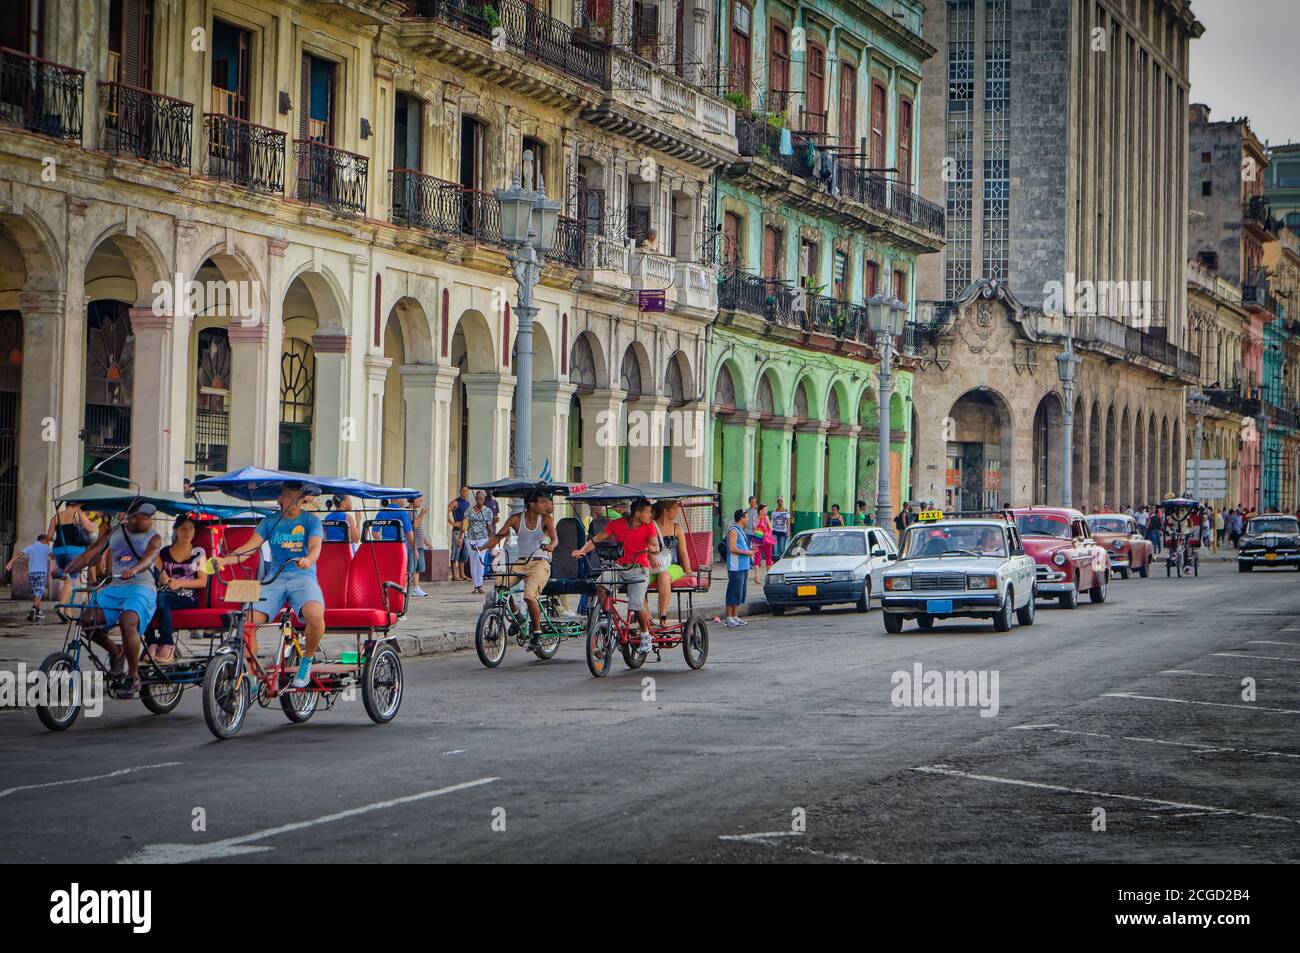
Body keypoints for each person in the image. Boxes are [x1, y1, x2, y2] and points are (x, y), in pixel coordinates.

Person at [215, 483, 325, 689]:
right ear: (279, 499)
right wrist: (223, 561)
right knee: (247, 621)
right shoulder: (270, 522)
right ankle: (251, 673)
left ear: (302, 499)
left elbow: (315, 546)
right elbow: (248, 548)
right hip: (275, 576)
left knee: (316, 616)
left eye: (296, 497)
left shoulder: (311, 521)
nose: (292, 501)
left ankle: (307, 661)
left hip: (303, 575)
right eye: (287, 497)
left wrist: (309, 559)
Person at [64, 502, 163, 697]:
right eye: (146, 517)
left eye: (150, 517)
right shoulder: (114, 532)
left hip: (141, 587)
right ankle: (116, 652)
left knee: (128, 622)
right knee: (87, 621)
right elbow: (91, 553)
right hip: (115, 587)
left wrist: (134, 569)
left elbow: (150, 558)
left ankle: (133, 676)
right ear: (132, 517)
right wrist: (67, 570)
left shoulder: (154, 537)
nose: (150, 521)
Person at [572, 498, 660, 654]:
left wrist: (653, 549)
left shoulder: (649, 527)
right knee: (601, 584)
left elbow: (655, 544)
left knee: (636, 605)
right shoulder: (616, 524)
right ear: (638, 514)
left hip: (639, 570)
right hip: (618, 567)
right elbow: (596, 540)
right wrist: (581, 551)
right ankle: (608, 618)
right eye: (648, 512)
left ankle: (646, 635)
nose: (650, 515)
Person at [476, 489, 557, 648]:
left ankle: (537, 633)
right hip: (521, 562)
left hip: (540, 563)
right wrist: (481, 548)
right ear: (532, 505)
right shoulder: (516, 519)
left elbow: (555, 540)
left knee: (529, 596)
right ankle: (517, 616)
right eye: (542, 502)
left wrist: (550, 546)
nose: (545, 505)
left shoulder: (546, 519)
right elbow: (498, 536)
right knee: (500, 585)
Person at [147, 516, 209, 662]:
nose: (187, 532)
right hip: (165, 592)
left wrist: (180, 582)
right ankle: (151, 641)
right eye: (183, 529)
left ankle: (167, 642)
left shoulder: (199, 553)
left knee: (161, 598)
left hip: (187, 596)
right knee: (145, 599)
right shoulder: (164, 552)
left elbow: (202, 581)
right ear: (176, 530)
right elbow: (156, 574)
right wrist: (161, 578)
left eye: (191, 528)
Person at [47, 503, 98, 622]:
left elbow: (49, 536)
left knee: (66, 580)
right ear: (77, 504)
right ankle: (61, 607)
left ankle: (67, 612)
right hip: (75, 550)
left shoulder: (56, 516)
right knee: (71, 580)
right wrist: (81, 515)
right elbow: (90, 529)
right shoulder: (77, 513)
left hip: (59, 550)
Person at [650, 499, 694, 628]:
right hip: (654, 567)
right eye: (675, 508)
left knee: (664, 575)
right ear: (665, 511)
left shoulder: (677, 528)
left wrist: (689, 571)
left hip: (673, 567)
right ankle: (646, 618)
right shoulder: (651, 526)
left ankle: (663, 615)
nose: (677, 511)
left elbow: (683, 552)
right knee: (638, 580)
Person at [378, 498, 421, 597]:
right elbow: (409, 532)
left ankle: (387, 590)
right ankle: (400, 591)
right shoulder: (402, 513)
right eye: (402, 498)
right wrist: (414, 549)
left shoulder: (382, 512)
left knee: (387, 570)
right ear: (397, 499)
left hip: (385, 546)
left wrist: (381, 544)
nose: (405, 500)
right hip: (399, 546)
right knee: (401, 570)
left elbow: (374, 532)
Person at [8, 532, 54, 622]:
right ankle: (33, 610)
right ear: (44, 540)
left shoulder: (30, 547)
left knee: (36, 592)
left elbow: (19, 554)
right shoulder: (46, 548)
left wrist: (11, 562)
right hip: (41, 572)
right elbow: (53, 556)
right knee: (39, 592)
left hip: (32, 573)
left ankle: (38, 611)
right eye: (47, 541)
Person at [722, 509, 754, 627]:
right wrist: (747, 553)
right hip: (736, 567)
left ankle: (735, 616)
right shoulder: (733, 530)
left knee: (740, 592)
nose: (748, 519)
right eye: (746, 517)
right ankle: (728, 616)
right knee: (733, 591)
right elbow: (732, 548)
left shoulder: (741, 531)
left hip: (744, 566)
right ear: (741, 518)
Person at [463, 490, 494, 594]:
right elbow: (465, 525)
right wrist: (460, 537)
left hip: (482, 538)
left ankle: (480, 584)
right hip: (471, 538)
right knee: (473, 561)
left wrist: (491, 540)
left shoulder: (488, 511)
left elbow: (489, 526)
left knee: (480, 560)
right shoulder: (469, 510)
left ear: (483, 499)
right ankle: (475, 585)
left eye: (481, 499)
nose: (479, 500)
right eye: (477, 498)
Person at [447, 486, 472, 581]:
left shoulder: (467, 503)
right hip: (457, 531)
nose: (465, 493)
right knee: (456, 552)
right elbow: (446, 511)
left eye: (467, 491)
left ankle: (462, 574)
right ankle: (454, 575)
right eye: (464, 491)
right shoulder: (456, 502)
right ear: (460, 492)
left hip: (465, 530)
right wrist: (453, 523)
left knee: (464, 553)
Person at [409, 494, 429, 597]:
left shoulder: (415, 512)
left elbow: (418, 528)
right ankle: (406, 587)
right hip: (413, 544)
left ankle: (416, 588)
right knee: (411, 568)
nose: (421, 503)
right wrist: (422, 514)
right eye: (419, 500)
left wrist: (425, 541)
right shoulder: (409, 511)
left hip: (419, 543)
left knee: (417, 568)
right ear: (413, 501)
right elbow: (414, 526)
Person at [750, 502, 774, 583]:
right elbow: (771, 528)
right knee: (768, 558)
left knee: (757, 558)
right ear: (760, 510)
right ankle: (768, 577)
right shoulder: (766, 518)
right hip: (766, 540)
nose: (766, 511)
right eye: (765, 509)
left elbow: (754, 529)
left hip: (757, 539)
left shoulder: (754, 518)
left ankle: (756, 577)